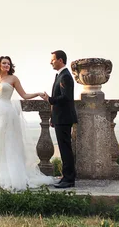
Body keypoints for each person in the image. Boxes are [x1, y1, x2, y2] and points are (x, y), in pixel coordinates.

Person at [0, 56, 56, 191]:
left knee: (6, 145)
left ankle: (7, 176)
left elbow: (24, 95)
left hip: (7, 114)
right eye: (4, 63)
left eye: (8, 64)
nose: (6, 65)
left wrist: (38, 93)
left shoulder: (13, 79)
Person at [40, 50, 77, 188]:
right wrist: (52, 117)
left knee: (65, 149)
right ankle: (66, 177)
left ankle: (69, 179)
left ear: (60, 60)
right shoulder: (61, 75)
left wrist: (49, 99)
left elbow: (66, 97)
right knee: (63, 149)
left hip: (64, 118)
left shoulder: (65, 76)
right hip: (60, 118)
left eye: (53, 59)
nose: (51, 62)